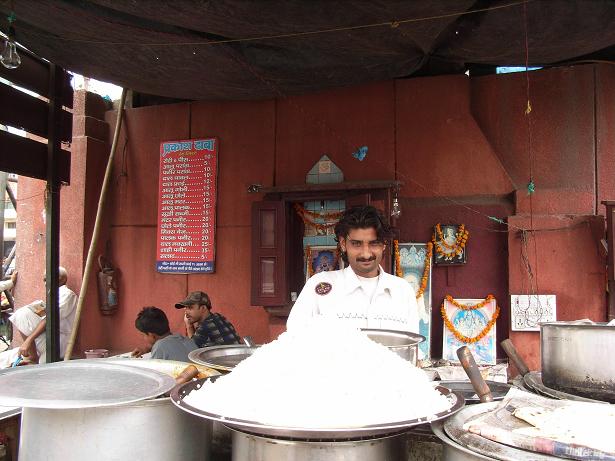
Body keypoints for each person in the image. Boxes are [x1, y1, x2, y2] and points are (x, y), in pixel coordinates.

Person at [287, 206, 419, 333]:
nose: (366, 254)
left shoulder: (403, 290)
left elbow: (410, 348)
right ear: (343, 244)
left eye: (374, 243)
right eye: (356, 244)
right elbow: (294, 338)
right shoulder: (319, 285)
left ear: (384, 244)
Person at [0, 267, 77, 366]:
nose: (45, 283)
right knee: (22, 313)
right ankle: (31, 357)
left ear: (60, 279)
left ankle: (32, 358)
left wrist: (28, 341)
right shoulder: (55, 294)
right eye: (44, 280)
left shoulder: (67, 294)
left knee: (23, 313)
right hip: (48, 336)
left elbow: (50, 318)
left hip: (60, 339)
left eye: (46, 279)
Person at [175, 291, 241, 348]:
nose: (186, 312)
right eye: (185, 308)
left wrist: (189, 326)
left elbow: (192, 350)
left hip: (227, 362)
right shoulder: (219, 317)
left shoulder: (204, 327)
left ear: (203, 308)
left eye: (190, 308)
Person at [132, 306, 197, 362]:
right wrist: (147, 349)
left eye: (143, 335)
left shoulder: (159, 347)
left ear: (152, 335)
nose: (143, 338)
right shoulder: (187, 340)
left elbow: (154, 374)